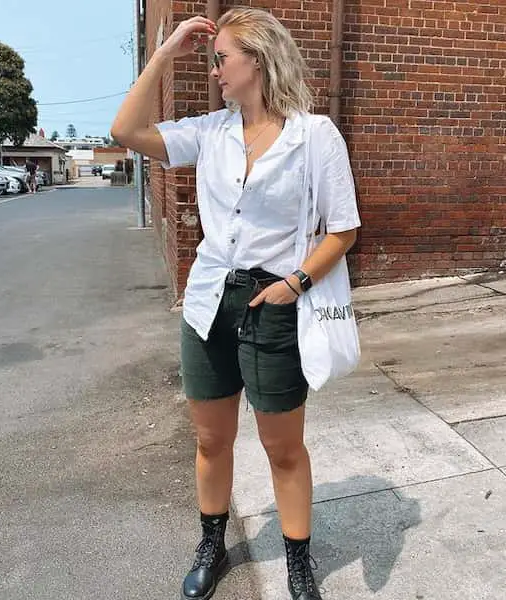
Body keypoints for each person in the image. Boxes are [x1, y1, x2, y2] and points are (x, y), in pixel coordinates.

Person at [111, 8, 360, 600]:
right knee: (211, 440)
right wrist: (168, 47)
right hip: (207, 306)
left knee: (282, 446)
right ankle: (211, 544)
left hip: (272, 302)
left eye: (222, 58)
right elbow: (125, 132)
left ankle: (298, 562)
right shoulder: (210, 132)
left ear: (259, 59)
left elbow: (343, 230)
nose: (215, 70)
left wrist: (293, 283)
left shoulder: (313, 135)